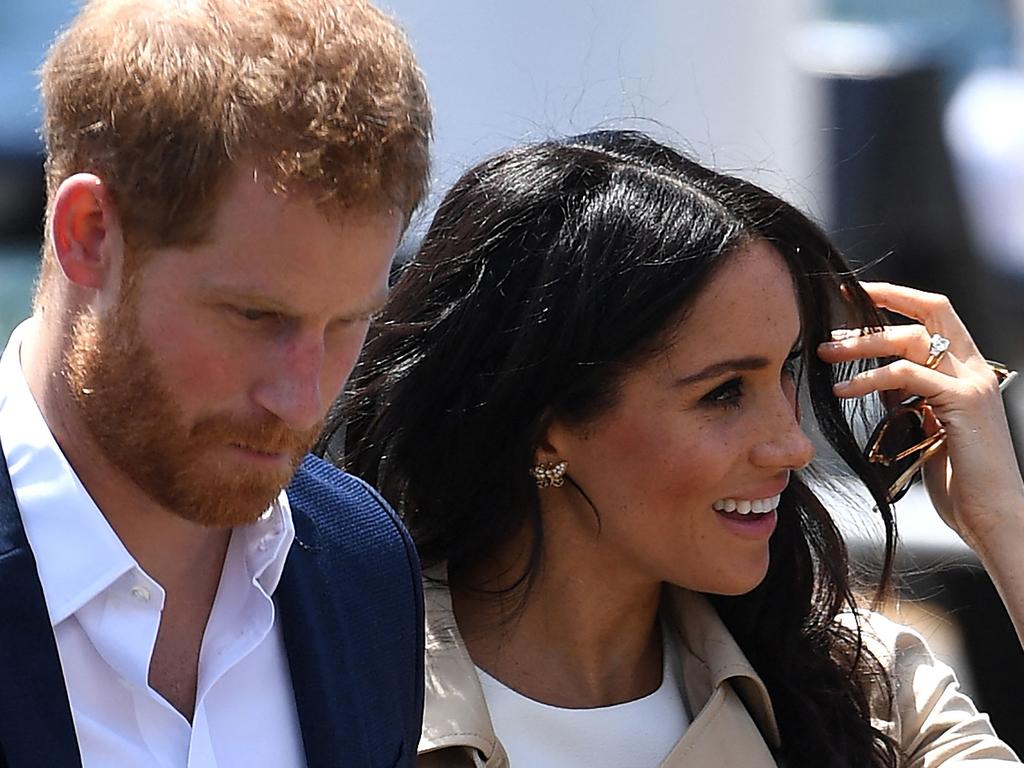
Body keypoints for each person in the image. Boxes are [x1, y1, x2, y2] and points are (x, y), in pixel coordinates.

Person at [332, 130, 1024, 766]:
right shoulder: (328, 686)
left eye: (786, 370)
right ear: (543, 426)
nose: (792, 446)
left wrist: (1002, 519)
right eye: (724, 392)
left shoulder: (869, 695)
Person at [0, 0, 431, 765]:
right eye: (255, 317)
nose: (300, 401)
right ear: (89, 236)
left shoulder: (366, 566)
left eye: (345, 325)